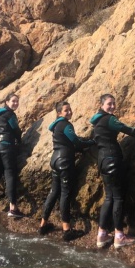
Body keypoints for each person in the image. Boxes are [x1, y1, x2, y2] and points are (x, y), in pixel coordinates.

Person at [90, 93, 135, 249]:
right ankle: (119, 235)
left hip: (103, 161)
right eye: (109, 104)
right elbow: (129, 130)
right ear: (101, 105)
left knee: (109, 198)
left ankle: (102, 234)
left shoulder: (97, 121)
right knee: (118, 198)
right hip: (112, 160)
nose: (112, 106)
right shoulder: (109, 119)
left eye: (113, 103)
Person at [39, 101, 95, 241]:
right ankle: (67, 230)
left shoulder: (57, 125)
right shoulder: (66, 125)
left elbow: (69, 141)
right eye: (66, 110)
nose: (69, 112)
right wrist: (92, 143)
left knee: (54, 192)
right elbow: (76, 143)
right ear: (59, 113)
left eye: (70, 109)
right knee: (65, 194)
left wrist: (82, 143)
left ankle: (43, 225)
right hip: (65, 162)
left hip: (55, 160)